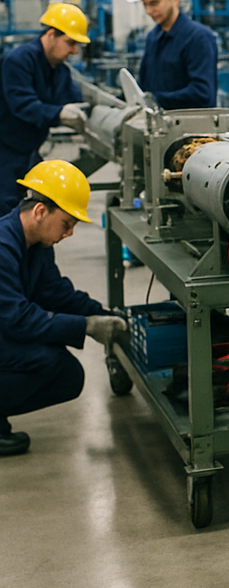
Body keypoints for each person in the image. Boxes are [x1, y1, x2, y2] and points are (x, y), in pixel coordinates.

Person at [0, 160, 127, 456]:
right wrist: (86, 327)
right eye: (66, 224)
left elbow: (55, 292)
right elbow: (18, 320)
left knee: (67, 375)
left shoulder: (36, 244)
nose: (69, 234)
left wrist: (102, 314)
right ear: (40, 211)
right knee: (50, 364)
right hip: (6, 328)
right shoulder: (3, 247)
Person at [0, 2, 91, 214]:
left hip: (28, 151)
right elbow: (24, 106)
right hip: (5, 151)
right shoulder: (20, 60)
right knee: (5, 207)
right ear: (51, 35)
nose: (74, 50)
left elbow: (74, 98)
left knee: (31, 207)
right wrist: (59, 114)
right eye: (70, 43)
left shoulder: (59, 70)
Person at [128, 0, 218, 109]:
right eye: (145, 4)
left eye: (154, 3)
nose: (148, 11)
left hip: (189, 123)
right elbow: (145, 85)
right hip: (158, 121)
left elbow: (202, 93)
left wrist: (156, 100)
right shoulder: (152, 38)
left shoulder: (198, 38)